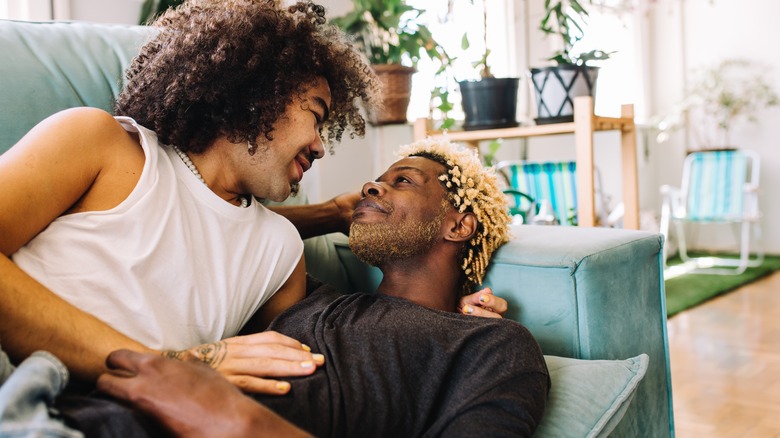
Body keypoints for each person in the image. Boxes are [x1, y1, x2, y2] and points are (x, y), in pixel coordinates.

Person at [0, 0, 503, 398]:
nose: (322, 145)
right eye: (315, 113)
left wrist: (448, 318)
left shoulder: (279, 250)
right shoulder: (103, 143)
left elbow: (336, 345)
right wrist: (169, 365)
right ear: (255, 94)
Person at [81, 138, 550, 437]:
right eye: (375, 181)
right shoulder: (308, 296)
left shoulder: (491, 344)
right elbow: (224, 230)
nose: (371, 186)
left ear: (458, 224)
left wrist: (240, 423)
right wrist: (330, 211)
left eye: (402, 181)